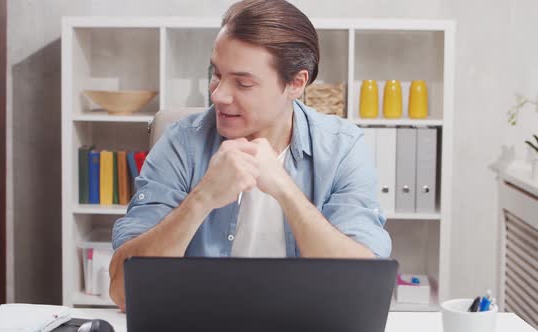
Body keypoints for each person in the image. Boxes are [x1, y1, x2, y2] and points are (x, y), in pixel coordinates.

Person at [109, 0, 391, 311]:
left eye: (243, 83)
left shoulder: (342, 148)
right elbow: (123, 291)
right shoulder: (181, 143)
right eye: (216, 74)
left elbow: (361, 291)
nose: (218, 95)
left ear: (296, 83)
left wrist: (283, 189)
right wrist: (202, 198)